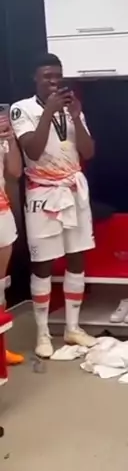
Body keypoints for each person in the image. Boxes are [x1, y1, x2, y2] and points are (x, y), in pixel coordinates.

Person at [10, 53, 97, 358]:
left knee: (77, 258)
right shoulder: (22, 109)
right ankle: (43, 333)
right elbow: (33, 151)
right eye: (47, 76)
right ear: (34, 78)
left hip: (73, 190)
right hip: (42, 193)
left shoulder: (72, 108)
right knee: (43, 264)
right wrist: (49, 110)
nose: (54, 81)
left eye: (58, 76)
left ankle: (73, 328)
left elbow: (88, 151)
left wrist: (75, 116)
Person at [0, 113, 24, 365]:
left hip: (2, 213)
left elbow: (15, 172)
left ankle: (0, 348)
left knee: (0, 286)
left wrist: (10, 139)